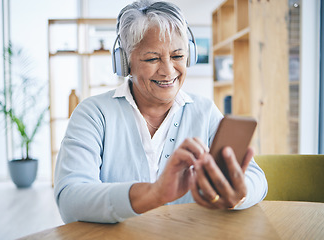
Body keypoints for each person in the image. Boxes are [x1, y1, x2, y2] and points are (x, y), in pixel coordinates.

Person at [54, 0, 267, 224]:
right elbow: (70, 200)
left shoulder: (204, 111)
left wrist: (238, 194)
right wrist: (154, 194)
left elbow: (256, 179)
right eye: (152, 58)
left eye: (177, 56)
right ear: (126, 63)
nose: (168, 71)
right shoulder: (93, 114)